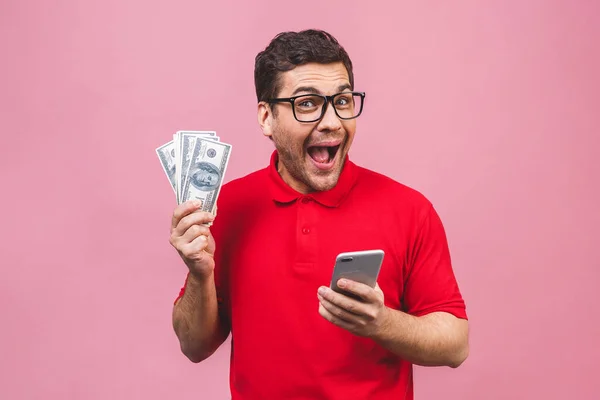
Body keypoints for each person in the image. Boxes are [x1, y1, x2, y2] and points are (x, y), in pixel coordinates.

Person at [169, 29, 469, 400]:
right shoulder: (229, 206)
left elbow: (456, 345)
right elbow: (193, 346)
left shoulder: (410, 209)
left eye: (342, 101)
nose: (331, 121)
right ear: (266, 117)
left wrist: (381, 322)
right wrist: (200, 273)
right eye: (307, 104)